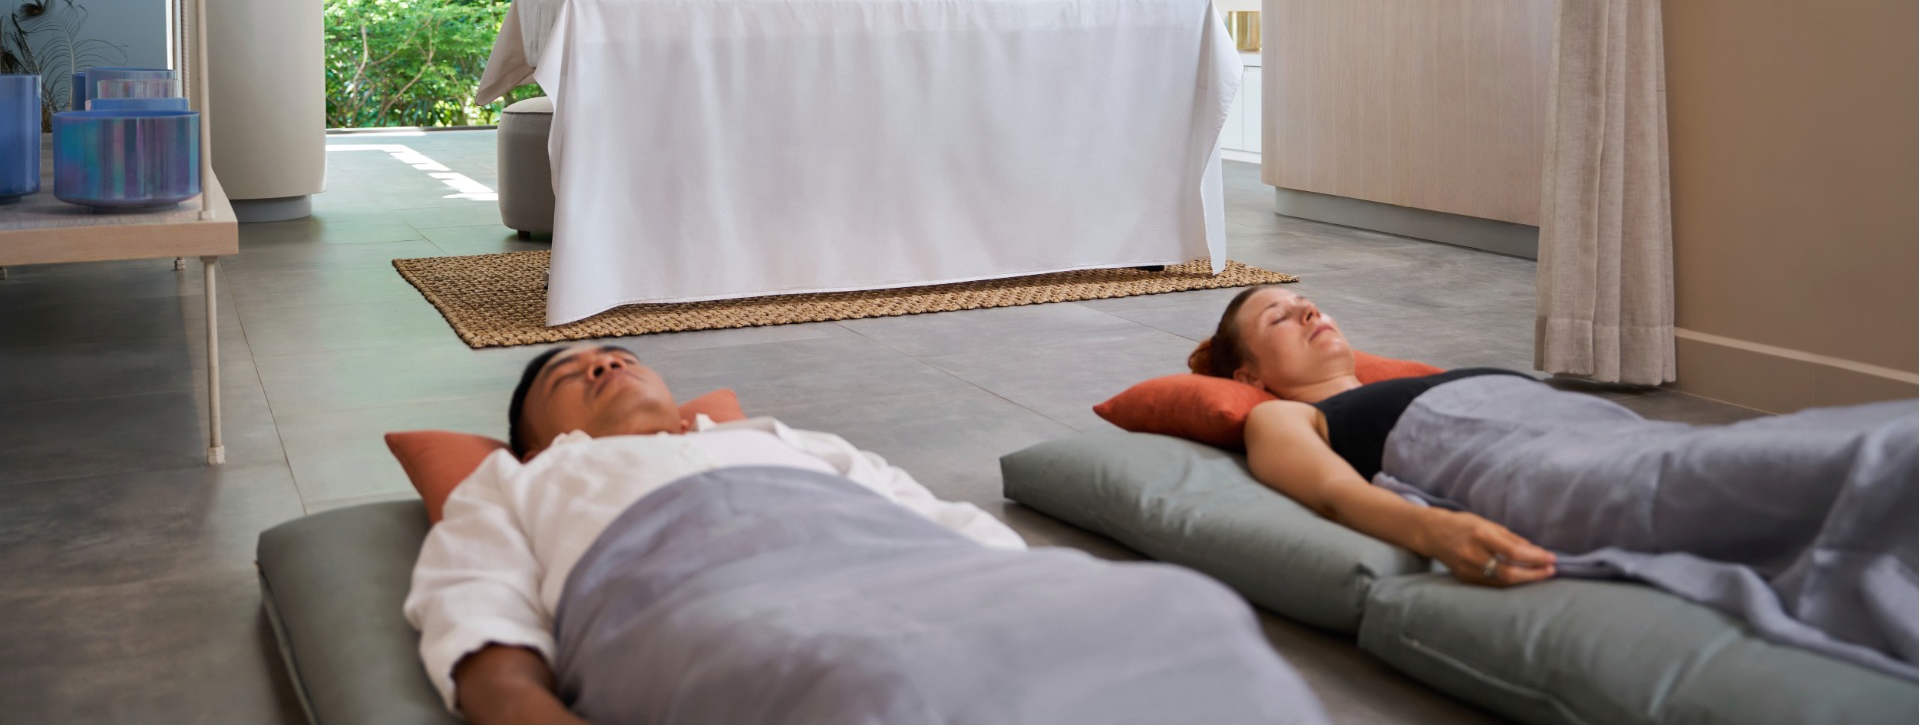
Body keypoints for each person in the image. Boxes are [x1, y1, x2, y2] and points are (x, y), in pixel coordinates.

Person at [407, 343, 1325, 724]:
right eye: (570, 375)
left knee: (1183, 608)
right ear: (540, 438)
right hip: (719, 599)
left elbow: (931, 517)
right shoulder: (523, 480)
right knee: (871, 683)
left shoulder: (773, 436)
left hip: (912, 573)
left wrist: (1039, 596)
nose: (603, 362)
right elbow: (478, 612)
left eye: (616, 354)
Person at [1190, 284, 1919, 677]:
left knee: (1807, 451)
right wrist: (1435, 531)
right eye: (1279, 318)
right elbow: (1331, 492)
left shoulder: (1408, 377)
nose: (1308, 309)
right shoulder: (1280, 418)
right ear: (1249, 375)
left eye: (1308, 302)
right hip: (1551, 471)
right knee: (1860, 456)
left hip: (1607, 435)